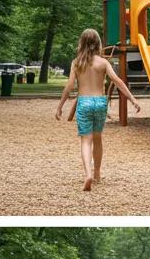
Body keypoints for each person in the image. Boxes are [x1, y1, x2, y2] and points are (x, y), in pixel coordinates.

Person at [55, 28, 140, 191]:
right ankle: (97, 173)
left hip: (84, 102)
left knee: (86, 141)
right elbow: (117, 81)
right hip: (100, 102)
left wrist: (60, 107)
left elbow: (69, 86)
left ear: (82, 43)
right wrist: (133, 99)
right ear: (98, 43)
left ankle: (87, 174)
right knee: (98, 138)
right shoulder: (103, 62)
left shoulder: (76, 63)